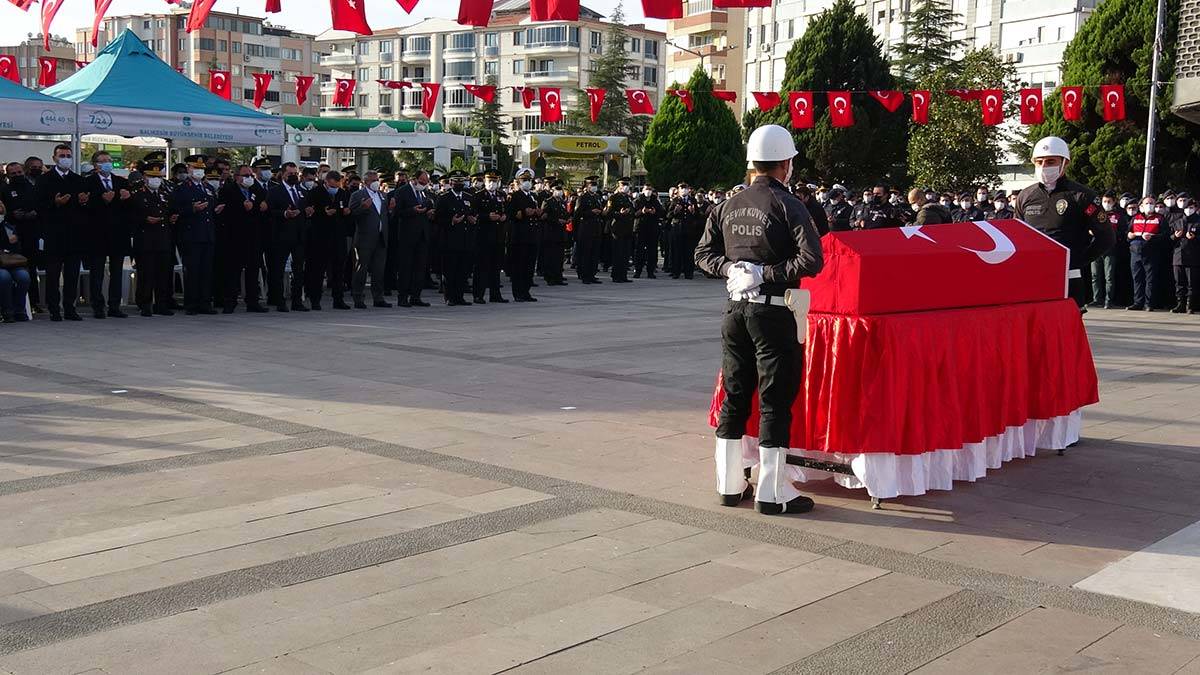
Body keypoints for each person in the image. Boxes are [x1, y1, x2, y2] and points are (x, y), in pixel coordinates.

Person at [696, 124, 824, 516]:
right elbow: (812, 260)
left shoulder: (728, 204)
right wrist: (764, 272)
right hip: (773, 311)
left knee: (735, 396)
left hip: (735, 311)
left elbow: (702, 254)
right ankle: (772, 492)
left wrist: (731, 268)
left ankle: (729, 484)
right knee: (775, 401)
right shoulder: (789, 204)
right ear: (786, 164)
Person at [1013, 136, 1114, 310]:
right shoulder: (1025, 196)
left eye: (1051, 161)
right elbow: (1016, 237)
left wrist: (1077, 260)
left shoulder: (1082, 196)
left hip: (1069, 278)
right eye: (1039, 162)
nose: (1044, 166)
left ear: (1065, 163)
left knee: (1066, 326)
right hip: (1033, 278)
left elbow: (1106, 238)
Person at [36, 144, 89, 322]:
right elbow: (39, 206)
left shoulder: (78, 180)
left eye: (68, 156)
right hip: (54, 234)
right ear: (54, 158)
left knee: (72, 275)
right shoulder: (45, 180)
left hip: (74, 235)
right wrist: (55, 203)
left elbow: (86, 209)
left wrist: (83, 202)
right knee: (53, 274)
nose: (65, 159)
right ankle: (54, 308)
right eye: (62, 156)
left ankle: (70, 307)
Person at [81, 151, 133, 319]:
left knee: (116, 272)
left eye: (109, 160)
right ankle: (97, 305)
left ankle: (115, 305)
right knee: (97, 272)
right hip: (97, 234)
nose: (106, 164)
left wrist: (126, 199)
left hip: (118, 234)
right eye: (102, 161)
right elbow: (84, 207)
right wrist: (102, 200)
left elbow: (130, 208)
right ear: (95, 164)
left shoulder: (121, 182)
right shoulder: (87, 182)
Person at [172, 157, 221, 315]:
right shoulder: (182, 188)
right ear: (189, 169)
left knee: (206, 271)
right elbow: (175, 209)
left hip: (207, 234)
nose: (199, 171)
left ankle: (205, 302)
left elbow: (212, 206)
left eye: (201, 168)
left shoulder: (208, 187)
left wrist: (216, 210)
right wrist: (192, 209)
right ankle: (191, 303)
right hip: (191, 234)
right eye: (195, 168)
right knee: (193, 271)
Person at [218, 164, 269, 313]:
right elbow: (224, 212)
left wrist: (258, 207)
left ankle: (253, 301)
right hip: (235, 236)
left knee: (253, 269)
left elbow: (262, 206)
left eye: (251, 176)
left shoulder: (257, 189)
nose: (249, 178)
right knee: (233, 271)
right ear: (237, 177)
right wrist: (242, 208)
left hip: (253, 236)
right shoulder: (228, 190)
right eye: (245, 176)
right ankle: (230, 301)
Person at [130, 164, 176, 317]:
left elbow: (169, 211)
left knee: (163, 273)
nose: (156, 180)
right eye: (152, 176)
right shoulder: (137, 194)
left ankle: (161, 304)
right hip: (145, 239)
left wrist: (172, 217)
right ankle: (145, 303)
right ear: (145, 177)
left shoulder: (165, 194)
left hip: (163, 238)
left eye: (158, 177)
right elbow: (131, 216)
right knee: (146, 274)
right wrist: (145, 219)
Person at [266, 162, 311, 312]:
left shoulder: (301, 191)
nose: (293, 176)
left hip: (298, 236)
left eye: (295, 173)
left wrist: (306, 212)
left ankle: (297, 301)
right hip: (281, 235)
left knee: (298, 270)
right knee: (278, 270)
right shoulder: (274, 191)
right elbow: (270, 211)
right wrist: (285, 214)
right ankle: (280, 301)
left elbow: (304, 208)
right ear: (283, 174)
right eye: (290, 173)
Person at [306, 170, 352, 310]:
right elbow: (309, 212)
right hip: (321, 236)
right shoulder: (315, 193)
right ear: (326, 182)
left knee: (339, 268)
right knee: (318, 269)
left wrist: (346, 212)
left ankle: (338, 299)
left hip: (338, 236)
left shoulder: (342, 193)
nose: (335, 189)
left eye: (337, 186)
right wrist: (323, 213)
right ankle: (315, 299)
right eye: (332, 186)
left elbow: (345, 210)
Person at [3, 160, 43, 314]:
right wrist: (12, 214)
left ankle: (34, 302)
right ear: (8, 175)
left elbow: (41, 206)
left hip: (31, 234)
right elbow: (3, 212)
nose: (17, 175)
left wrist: (34, 213)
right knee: (14, 268)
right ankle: (13, 304)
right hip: (12, 237)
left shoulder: (33, 188)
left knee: (31, 269)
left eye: (19, 172)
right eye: (13, 174)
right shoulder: (4, 190)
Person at [348, 170, 391, 309]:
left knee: (379, 270)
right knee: (361, 269)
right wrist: (363, 207)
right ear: (365, 182)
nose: (376, 182)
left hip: (381, 238)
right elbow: (351, 214)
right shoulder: (357, 195)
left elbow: (384, 215)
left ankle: (378, 297)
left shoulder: (383, 195)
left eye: (377, 179)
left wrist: (391, 209)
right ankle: (358, 297)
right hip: (364, 238)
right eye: (372, 180)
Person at [434, 170, 477, 306]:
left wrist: (473, 219)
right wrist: (451, 221)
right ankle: (450, 297)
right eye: (456, 181)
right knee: (450, 271)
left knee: (462, 271)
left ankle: (459, 296)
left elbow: (472, 213)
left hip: (465, 239)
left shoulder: (468, 197)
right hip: (450, 240)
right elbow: (437, 218)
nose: (459, 183)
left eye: (461, 181)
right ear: (451, 182)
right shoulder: (444, 198)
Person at [394, 169, 435, 308]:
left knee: (420, 268)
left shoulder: (425, 192)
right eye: (422, 181)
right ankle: (402, 297)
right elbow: (397, 213)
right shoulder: (402, 191)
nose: (424, 184)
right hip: (407, 235)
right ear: (415, 179)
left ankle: (416, 296)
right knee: (406, 268)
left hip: (422, 235)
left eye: (426, 182)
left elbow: (428, 207)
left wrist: (429, 213)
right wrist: (412, 211)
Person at [1090, 191, 1129, 309]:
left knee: (1109, 277)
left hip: (1110, 249)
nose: (1106, 203)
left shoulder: (1118, 216)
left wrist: (1111, 233)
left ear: (1113, 202)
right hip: (1095, 248)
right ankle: (1097, 299)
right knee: (1095, 275)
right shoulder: (1095, 213)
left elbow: (1122, 232)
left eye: (1109, 201)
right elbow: (1087, 225)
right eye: (1104, 201)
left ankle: (1109, 300)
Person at [506, 168, 541, 302]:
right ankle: (518, 293)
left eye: (529, 180)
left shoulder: (533, 196)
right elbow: (511, 214)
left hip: (532, 235)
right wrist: (523, 213)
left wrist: (537, 213)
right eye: (524, 180)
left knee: (529, 266)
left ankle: (526, 291)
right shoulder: (514, 196)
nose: (527, 182)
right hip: (520, 236)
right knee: (519, 266)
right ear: (519, 182)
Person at [1127, 196, 1166, 311]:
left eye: (1151, 203)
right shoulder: (1135, 218)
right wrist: (1129, 236)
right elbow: (1128, 232)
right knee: (1137, 278)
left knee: (1150, 279)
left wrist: (1152, 238)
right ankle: (1137, 302)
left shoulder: (1160, 218)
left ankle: (1148, 303)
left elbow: (1165, 235)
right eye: (1147, 203)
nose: (1149, 205)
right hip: (1135, 252)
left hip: (1151, 252)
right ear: (1142, 206)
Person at [0, 204, 31, 323]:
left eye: (1, 212)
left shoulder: (8, 227)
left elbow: (17, 249)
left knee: (24, 277)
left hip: (10, 262)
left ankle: (19, 310)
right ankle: (7, 311)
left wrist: (14, 241)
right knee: (4, 278)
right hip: (1, 264)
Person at [573, 176, 604, 284]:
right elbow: (577, 214)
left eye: (595, 185)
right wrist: (591, 212)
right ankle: (584, 275)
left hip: (596, 228)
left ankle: (592, 274)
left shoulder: (596, 197)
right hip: (586, 229)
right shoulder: (582, 197)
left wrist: (600, 211)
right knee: (585, 253)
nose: (594, 187)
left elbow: (601, 210)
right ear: (587, 186)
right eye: (592, 185)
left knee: (594, 253)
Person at [1170, 196, 1199, 314]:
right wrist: (1175, 236)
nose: (1188, 209)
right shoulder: (1177, 221)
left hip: (1193, 256)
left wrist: (1195, 238)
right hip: (1178, 256)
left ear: (1195, 208)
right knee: (1179, 282)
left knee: (1192, 282)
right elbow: (1169, 238)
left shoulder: (1198, 221)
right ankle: (1180, 304)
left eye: (1191, 207)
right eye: (1186, 207)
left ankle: (1190, 305)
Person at [539, 180, 570, 288]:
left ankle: (558, 276)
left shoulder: (562, 202)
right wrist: (557, 220)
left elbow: (565, 214)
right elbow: (544, 216)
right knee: (550, 256)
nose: (559, 191)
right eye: (557, 189)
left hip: (561, 233)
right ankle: (550, 277)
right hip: (551, 232)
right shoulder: (548, 201)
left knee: (559, 257)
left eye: (561, 189)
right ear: (552, 190)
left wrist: (568, 218)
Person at [605, 177, 636, 283]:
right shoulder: (613, 198)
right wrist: (619, 213)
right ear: (619, 185)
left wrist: (630, 212)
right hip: (617, 229)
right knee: (618, 253)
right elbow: (608, 213)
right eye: (623, 185)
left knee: (625, 254)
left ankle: (623, 275)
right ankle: (616, 275)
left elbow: (633, 211)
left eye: (627, 185)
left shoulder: (628, 198)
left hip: (627, 229)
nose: (626, 187)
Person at [667, 182, 701, 278]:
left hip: (689, 230)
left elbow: (698, 216)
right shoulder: (675, 200)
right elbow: (668, 215)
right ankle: (676, 272)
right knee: (677, 252)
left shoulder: (692, 200)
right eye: (681, 188)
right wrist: (675, 211)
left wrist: (693, 212)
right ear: (678, 190)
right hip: (678, 229)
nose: (683, 190)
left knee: (689, 252)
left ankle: (688, 272)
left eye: (685, 188)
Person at [633, 183, 664, 278]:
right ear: (643, 190)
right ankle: (638, 270)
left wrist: (655, 212)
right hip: (641, 228)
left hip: (652, 229)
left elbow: (662, 212)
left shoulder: (655, 200)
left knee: (652, 251)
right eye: (647, 189)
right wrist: (642, 212)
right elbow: (634, 213)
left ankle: (650, 271)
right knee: (639, 251)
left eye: (650, 189)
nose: (648, 191)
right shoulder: (638, 200)